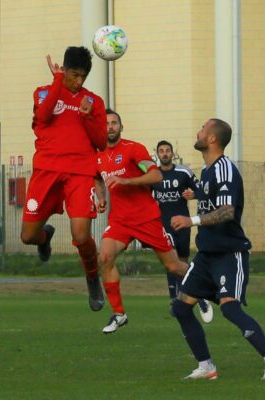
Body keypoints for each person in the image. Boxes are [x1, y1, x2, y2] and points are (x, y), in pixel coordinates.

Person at [169, 118, 265, 380]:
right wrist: (197, 196)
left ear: (211, 139)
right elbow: (212, 199)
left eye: (202, 129)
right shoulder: (208, 170)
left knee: (230, 308)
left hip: (228, 253)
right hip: (207, 255)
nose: (198, 131)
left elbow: (227, 212)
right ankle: (206, 366)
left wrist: (192, 220)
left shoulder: (225, 169)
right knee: (180, 308)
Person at [20, 46, 107, 311]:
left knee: (81, 236)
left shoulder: (93, 101)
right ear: (64, 70)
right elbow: (43, 116)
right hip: (46, 171)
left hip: (80, 172)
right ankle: (45, 238)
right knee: (27, 236)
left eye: (83, 76)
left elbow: (101, 142)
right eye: (74, 75)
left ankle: (92, 277)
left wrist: (88, 116)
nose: (79, 81)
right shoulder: (45, 91)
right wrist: (58, 80)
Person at [95, 109, 188, 334]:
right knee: (104, 257)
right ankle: (119, 314)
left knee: (174, 266)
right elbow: (97, 178)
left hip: (146, 218)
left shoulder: (133, 149)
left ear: (121, 127)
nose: (110, 127)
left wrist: (126, 181)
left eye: (114, 122)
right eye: (106, 123)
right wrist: (100, 197)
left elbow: (156, 176)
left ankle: (205, 289)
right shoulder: (96, 155)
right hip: (119, 221)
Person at [152, 140, 213, 323]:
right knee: (171, 260)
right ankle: (174, 299)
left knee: (183, 261)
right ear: (157, 154)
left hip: (183, 224)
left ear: (173, 153)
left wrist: (194, 194)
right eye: (161, 151)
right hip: (163, 224)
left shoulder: (183, 172)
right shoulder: (153, 175)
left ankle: (186, 296)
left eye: (167, 150)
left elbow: (202, 190)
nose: (164, 154)